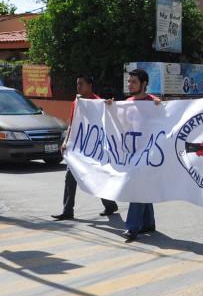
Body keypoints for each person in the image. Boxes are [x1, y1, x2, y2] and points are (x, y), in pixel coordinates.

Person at [51, 75, 118, 221]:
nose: (78, 87)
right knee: (70, 176)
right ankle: (67, 210)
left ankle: (110, 204)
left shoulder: (98, 102)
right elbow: (72, 123)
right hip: (77, 146)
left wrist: (109, 105)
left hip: (93, 147)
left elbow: (109, 119)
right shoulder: (77, 102)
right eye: (77, 84)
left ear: (89, 85)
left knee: (97, 177)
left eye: (81, 84)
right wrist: (66, 141)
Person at [106, 69, 161, 242]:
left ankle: (132, 228)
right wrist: (111, 108)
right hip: (131, 154)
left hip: (149, 155)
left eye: (134, 82)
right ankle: (149, 223)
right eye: (129, 81)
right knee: (142, 189)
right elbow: (119, 125)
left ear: (144, 84)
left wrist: (161, 107)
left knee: (136, 189)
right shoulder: (127, 103)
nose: (129, 85)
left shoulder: (153, 102)